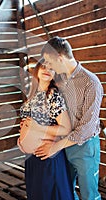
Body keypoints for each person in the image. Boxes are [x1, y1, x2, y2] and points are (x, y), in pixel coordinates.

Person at [35, 36, 104, 200]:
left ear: (59, 57)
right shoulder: (59, 80)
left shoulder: (91, 82)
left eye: (49, 62)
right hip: (63, 146)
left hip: (85, 147)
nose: (48, 67)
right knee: (66, 191)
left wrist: (55, 146)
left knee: (89, 196)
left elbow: (86, 128)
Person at [18, 60, 74, 200]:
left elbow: (65, 129)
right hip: (32, 158)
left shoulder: (53, 96)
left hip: (47, 156)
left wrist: (37, 128)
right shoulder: (32, 95)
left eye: (51, 68)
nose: (47, 70)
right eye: (44, 66)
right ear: (37, 69)